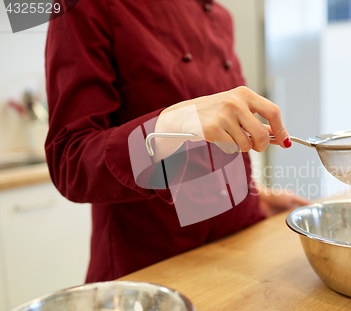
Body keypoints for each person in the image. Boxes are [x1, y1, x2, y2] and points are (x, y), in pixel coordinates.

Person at [45, 0, 308, 282]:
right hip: (152, 274)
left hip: (239, 255)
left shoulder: (218, 16)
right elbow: (70, 161)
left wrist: (258, 197)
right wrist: (170, 125)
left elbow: (205, 151)